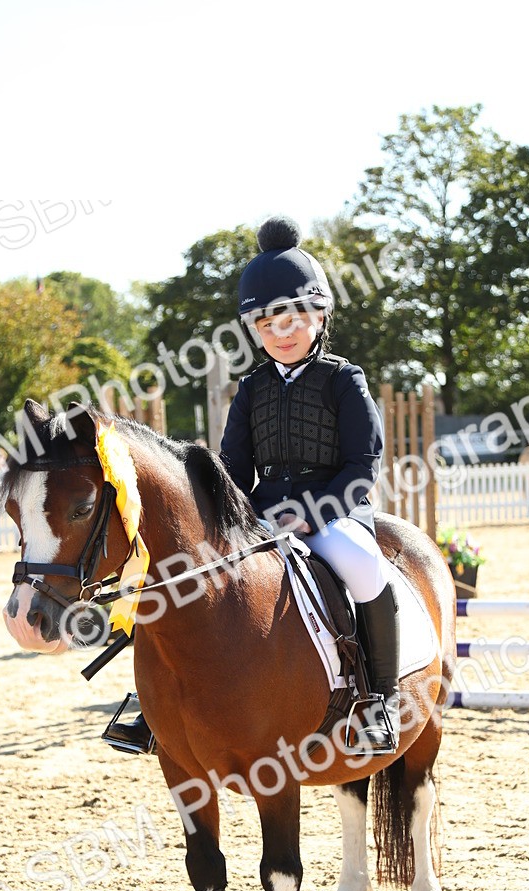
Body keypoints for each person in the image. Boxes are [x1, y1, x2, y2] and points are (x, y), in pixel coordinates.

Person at [107, 216, 400, 757]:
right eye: (266, 325)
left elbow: (364, 463)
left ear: (317, 316)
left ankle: (378, 700)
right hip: (261, 514)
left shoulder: (344, 379)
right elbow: (233, 471)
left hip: (334, 510)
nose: (280, 334)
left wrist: (314, 514)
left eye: (291, 320)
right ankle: (153, 703)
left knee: (363, 566)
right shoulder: (252, 388)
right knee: (184, 574)